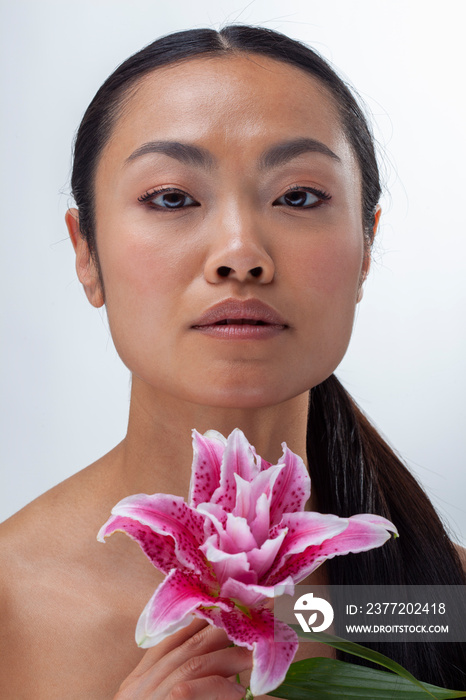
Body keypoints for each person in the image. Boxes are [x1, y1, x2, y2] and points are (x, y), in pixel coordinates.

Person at [0, 25, 465, 699]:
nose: (241, 253)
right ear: (86, 252)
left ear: (367, 246)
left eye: (299, 197)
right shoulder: (11, 597)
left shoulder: (433, 602)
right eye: (172, 198)